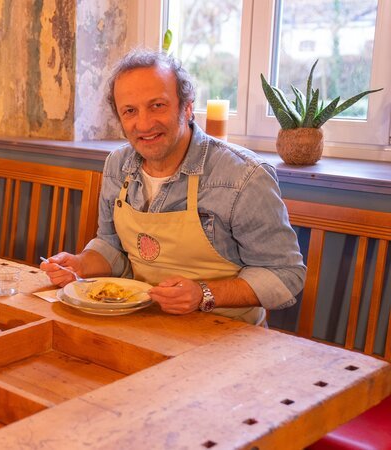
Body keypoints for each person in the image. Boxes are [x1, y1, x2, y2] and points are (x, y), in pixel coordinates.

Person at [40, 49, 305, 325]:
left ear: (187, 107)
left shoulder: (244, 175)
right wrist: (81, 264)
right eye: (130, 111)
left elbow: (285, 274)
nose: (144, 124)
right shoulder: (117, 165)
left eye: (157, 105)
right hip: (140, 322)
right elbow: (111, 245)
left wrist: (203, 294)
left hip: (225, 332)